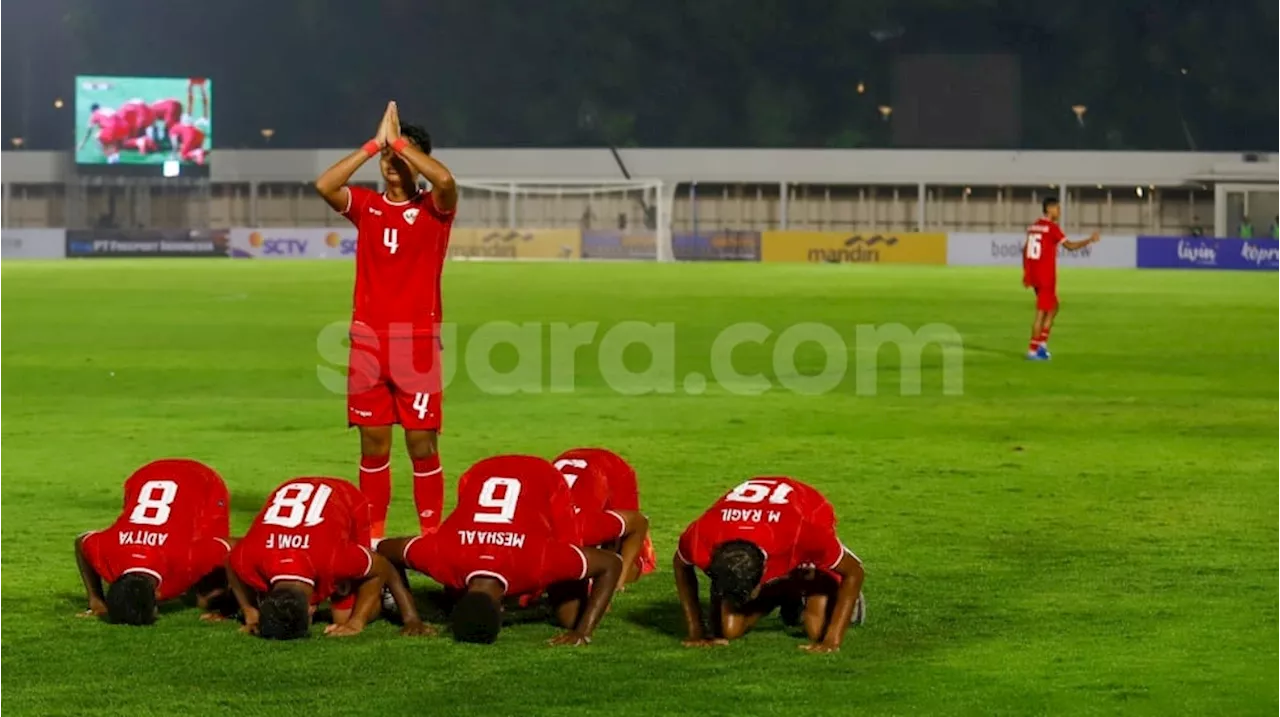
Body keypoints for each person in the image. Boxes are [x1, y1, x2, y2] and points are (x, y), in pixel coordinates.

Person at [314, 101, 458, 539]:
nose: (391, 162)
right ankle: (374, 539)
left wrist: (398, 143)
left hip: (416, 343)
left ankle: (430, 537)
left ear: (417, 160)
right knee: (373, 446)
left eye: (401, 156)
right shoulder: (367, 207)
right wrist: (373, 144)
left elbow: (446, 179)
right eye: (387, 158)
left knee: (421, 445)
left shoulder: (436, 209)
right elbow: (325, 184)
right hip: (367, 345)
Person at [378, 455, 623, 645]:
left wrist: (583, 631)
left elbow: (611, 563)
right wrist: (411, 617)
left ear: (504, 609)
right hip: (479, 473)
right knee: (565, 606)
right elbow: (384, 548)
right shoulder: (442, 558)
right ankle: (537, 595)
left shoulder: (536, 561)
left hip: (542, 477)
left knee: (569, 617)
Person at [674, 477, 865, 653]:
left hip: (807, 509)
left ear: (764, 573)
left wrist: (832, 641)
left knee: (816, 630)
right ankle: (787, 594)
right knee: (728, 630)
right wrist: (696, 632)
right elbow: (681, 565)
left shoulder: (803, 534)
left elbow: (855, 571)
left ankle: (828, 588)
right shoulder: (701, 535)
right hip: (765, 537)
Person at [227, 477, 429, 640]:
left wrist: (358, 622)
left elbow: (382, 565)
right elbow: (230, 559)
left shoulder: (334, 559)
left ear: (311, 609)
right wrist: (250, 614)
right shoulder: (250, 556)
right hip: (297, 501)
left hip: (344, 498)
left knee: (346, 617)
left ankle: (383, 596)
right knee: (340, 615)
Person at [74, 459, 232, 625]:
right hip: (143, 476)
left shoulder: (186, 559)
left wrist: (228, 608)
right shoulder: (109, 554)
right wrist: (97, 603)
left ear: (157, 597)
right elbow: (81, 542)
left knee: (207, 596)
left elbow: (234, 549)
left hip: (201, 480)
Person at [552, 447, 655, 585]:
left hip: (613, 470)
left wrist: (616, 581)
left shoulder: (585, 528)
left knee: (624, 555)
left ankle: (644, 552)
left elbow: (638, 523)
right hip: (574, 467)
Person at [1022, 196, 1100, 361]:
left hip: (1035, 274)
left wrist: (1028, 271)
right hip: (1045, 275)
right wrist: (1090, 240)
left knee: (1054, 306)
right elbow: (1070, 246)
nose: (1059, 212)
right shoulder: (1051, 228)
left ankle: (1042, 344)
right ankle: (1033, 349)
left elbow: (1025, 249)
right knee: (1041, 312)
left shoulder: (1033, 226)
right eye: (1057, 208)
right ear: (1049, 209)